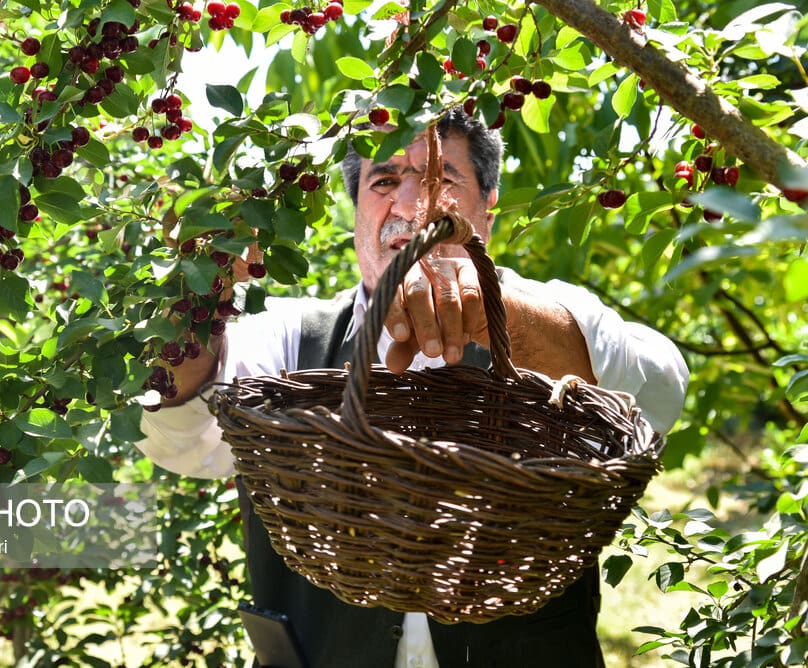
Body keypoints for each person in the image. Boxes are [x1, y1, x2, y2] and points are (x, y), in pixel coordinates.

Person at [137, 108, 689, 667]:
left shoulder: (554, 313)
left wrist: (495, 314)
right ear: (356, 211)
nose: (410, 207)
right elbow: (181, 436)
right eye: (383, 181)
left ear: (487, 208)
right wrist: (194, 302)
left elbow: (662, 393)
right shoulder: (292, 340)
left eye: (443, 179)